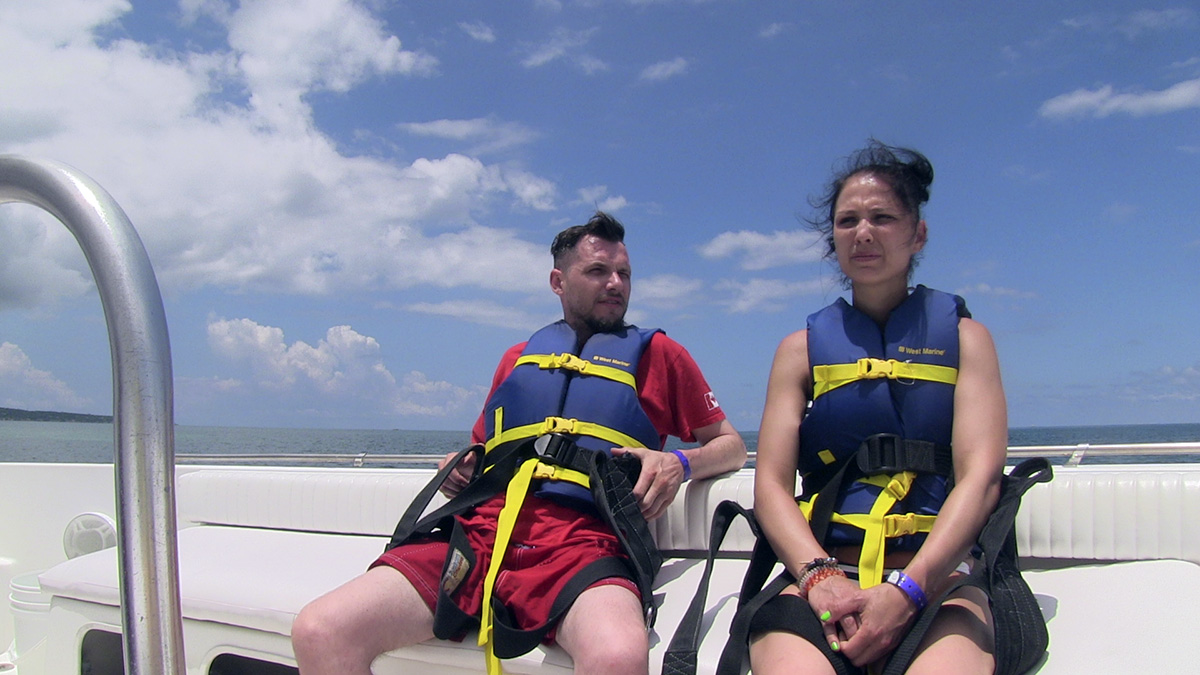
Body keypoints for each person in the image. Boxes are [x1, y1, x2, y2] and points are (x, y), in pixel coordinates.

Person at [291, 211, 746, 675]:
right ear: (558, 280)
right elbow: (486, 451)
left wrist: (678, 465)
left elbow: (731, 446)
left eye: (624, 274)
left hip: (585, 546)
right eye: (597, 271)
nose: (616, 284)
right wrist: (462, 465)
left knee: (618, 657)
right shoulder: (518, 359)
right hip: (483, 537)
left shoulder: (660, 356)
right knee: (320, 631)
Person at [748, 142, 1007, 674]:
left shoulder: (968, 341)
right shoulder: (797, 352)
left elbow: (979, 477)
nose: (863, 232)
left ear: (918, 235)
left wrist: (910, 590)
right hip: (823, 582)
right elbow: (770, 485)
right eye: (847, 221)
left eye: (882, 217)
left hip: (937, 585)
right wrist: (819, 579)